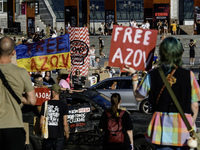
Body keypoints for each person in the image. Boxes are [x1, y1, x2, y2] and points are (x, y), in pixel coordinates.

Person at [123, 37, 200, 150]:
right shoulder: (189, 75)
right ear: (178, 52)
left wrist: (134, 75)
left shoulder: (152, 74)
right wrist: (190, 123)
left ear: (162, 53)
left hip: (161, 129)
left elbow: (138, 97)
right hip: (183, 131)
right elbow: (195, 106)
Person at [0, 37, 36, 150]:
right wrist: (21, 98)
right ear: (13, 52)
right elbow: (32, 101)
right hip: (14, 126)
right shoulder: (21, 72)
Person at [40, 84, 69, 150]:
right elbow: (65, 123)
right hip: (59, 135)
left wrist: (41, 132)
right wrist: (67, 134)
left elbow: (41, 122)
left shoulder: (45, 103)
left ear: (52, 92)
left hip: (47, 135)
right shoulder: (63, 105)